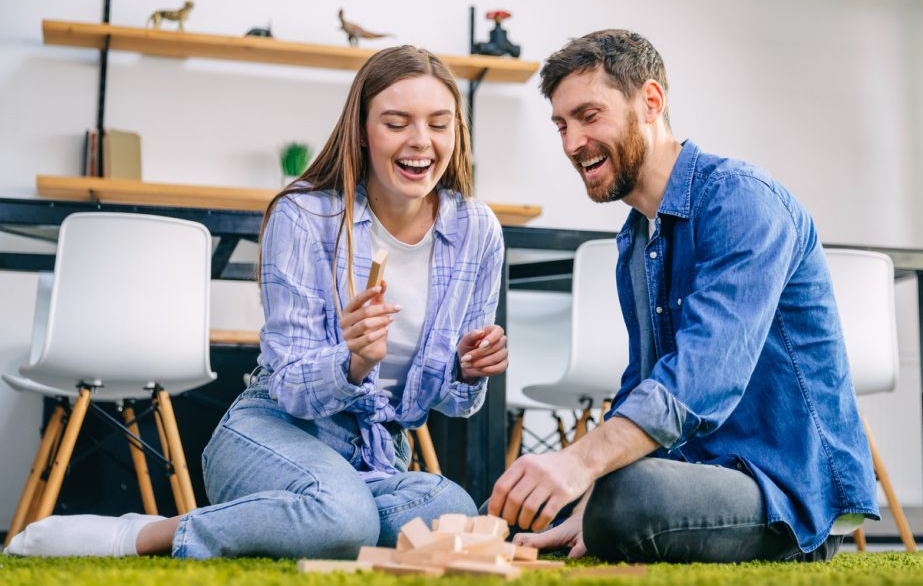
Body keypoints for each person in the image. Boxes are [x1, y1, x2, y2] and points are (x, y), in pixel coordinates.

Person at [5, 45, 508, 559]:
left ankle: (307, 523)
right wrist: (352, 361)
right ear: (361, 131)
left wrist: (470, 371)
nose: (420, 142)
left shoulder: (477, 230)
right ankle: (147, 534)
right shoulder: (305, 216)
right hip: (271, 432)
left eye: (439, 124)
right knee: (344, 516)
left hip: (375, 454)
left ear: (457, 134)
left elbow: (452, 402)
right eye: (396, 123)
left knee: (456, 513)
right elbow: (290, 387)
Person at [488, 30, 878, 563]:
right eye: (562, 125)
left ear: (651, 102)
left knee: (623, 494)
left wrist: (584, 464)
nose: (572, 143)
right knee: (578, 500)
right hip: (705, 475)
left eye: (589, 116)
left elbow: (703, 375)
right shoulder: (635, 239)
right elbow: (645, 381)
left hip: (783, 486)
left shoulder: (741, 200)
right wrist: (586, 499)